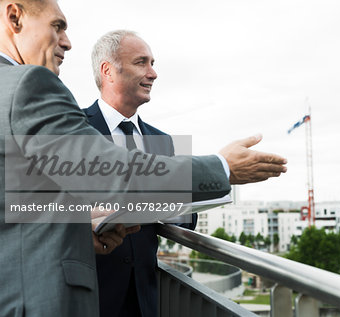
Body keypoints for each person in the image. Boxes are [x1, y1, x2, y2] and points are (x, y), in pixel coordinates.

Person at [0, 0, 287, 316]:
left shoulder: (160, 139)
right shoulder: (30, 87)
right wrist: (223, 167)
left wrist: (78, 228)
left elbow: (21, 203)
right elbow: (116, 175)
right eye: (58, 26)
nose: (67, 41)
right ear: (15, 17)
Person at [84, 30, 197, 317]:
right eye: (141, 62)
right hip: (88, 297)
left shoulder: (164, 141)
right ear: (108, 71)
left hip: (144, 299)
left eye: (153, 62)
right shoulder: (71, 130)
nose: (153, 73)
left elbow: (187, 219)